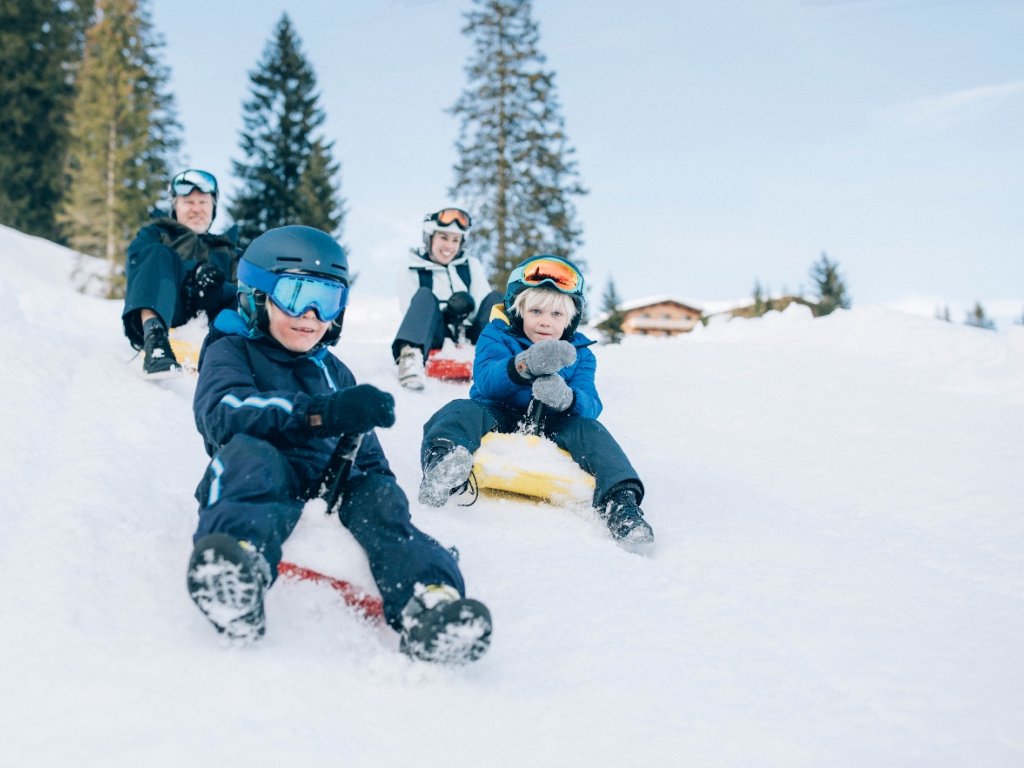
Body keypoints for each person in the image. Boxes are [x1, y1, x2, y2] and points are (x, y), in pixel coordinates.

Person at [186, 224, 491, 664]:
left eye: (325, 301)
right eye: (294, 295)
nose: (310, 314)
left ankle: (431, 602)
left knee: (383, 498)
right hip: (262, 467)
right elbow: (223, 412)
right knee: (251, 459)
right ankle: (236, 572)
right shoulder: (231, 350)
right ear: (257, 294)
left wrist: (367, 456)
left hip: (334, 480)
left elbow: (370, 460)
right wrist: (319, 414)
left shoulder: (335, 369)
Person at [416, 254, 654, 551]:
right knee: (457, 411)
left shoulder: (581, 353)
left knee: (592, 432)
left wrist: (567, 400)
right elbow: (486, 379)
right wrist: (522, 366)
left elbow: (591, 403)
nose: (545, 322)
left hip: (554, 421)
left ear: (570, 320)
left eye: (557, 315)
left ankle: (621, 504)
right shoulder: (497, 335)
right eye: (537, 311)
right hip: (499, 410)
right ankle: (442, 464)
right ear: (519, 311)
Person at [122, 169, 240, 378]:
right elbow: (138, 268)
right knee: (156, 254)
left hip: (214, 325)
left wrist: (215, 290)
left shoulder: (228, 251)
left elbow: (242, 293)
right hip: (169, 308)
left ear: (213, 207)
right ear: (175, 206)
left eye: (203, 202)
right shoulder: (156, 234)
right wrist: (192, 277)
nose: (196, 209)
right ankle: (155, 342)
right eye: (188, 202)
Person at [392, 207, 502, 391]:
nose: (449, 246)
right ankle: (410, 358)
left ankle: (501, 359)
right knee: (425, 295)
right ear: (430, 237)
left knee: (496, 299)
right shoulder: (410, 270)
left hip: (472, 335)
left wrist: (461, 309)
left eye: (455, 240)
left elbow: (483, 304)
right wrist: (447, 313)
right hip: (436, 334)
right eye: (443, 238)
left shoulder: (470, 266)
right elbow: (412, 313)